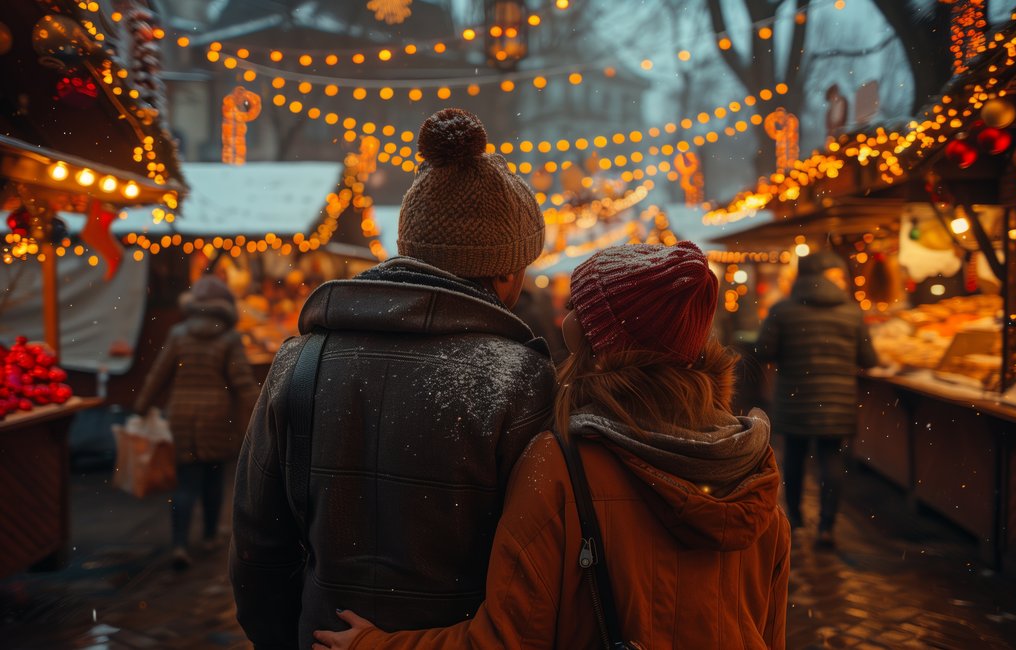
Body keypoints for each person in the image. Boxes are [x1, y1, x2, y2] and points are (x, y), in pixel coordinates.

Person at [314, 242, 790, 649]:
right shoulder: (753, 470)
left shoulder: (563, 464)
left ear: (592, 337)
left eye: (577, 310)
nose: (567, 318)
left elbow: (509, 640)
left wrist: (374, 645)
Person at [230, 108, 556, 649]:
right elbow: (534, 570)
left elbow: (257, 548)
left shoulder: (300, 361)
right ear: (505, 268)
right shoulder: (522, 380)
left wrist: (289, 638)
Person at [133, 274, 259, 570]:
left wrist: (141, 406)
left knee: (185, 482)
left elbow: (159, 374)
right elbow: (242, 382)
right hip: (217, 417)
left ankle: (179, 544)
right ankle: (210, 536)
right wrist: (264, 410)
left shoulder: (178, 333)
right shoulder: (229, 338)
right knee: (213, 480)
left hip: (180, 416)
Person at [754, 250, 878, 548]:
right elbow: (869, 359)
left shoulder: (782, 310)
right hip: (836, 401)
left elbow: (763, 351)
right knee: (831, 460)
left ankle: (795, 520)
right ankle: (826, 527)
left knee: (793, 458)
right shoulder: (851, 311)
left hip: (794, 398)